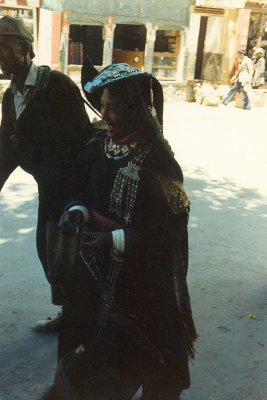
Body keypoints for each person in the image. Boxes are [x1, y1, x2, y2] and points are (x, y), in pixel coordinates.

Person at [41, 63, 197, 400]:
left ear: (134, 109)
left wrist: (115, 239)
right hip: (92, 270)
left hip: (142, 280)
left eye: (112, 107)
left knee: (152, 360)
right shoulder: (96, 148)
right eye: (103, 105)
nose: (104, 114)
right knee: (84, 358)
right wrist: (76, 214)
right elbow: (77, 193)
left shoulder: (158, 160)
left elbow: (171, 230)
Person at [0, 16, 95, 332]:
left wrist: (79, 197)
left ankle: (78, 317)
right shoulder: (10, 96)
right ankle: (73, 312)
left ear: (25, 48)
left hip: (70, 189)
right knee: (49, 251)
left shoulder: (55, 85)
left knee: (66, 253)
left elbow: (83, 138)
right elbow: (6, 149)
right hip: (48, 188)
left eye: (3, 46)